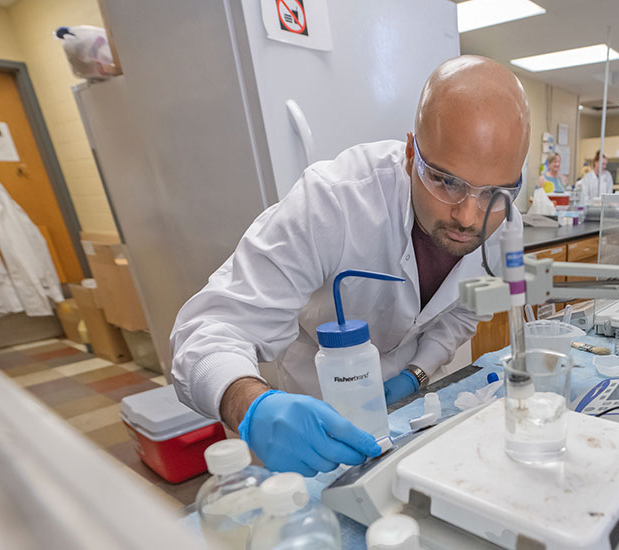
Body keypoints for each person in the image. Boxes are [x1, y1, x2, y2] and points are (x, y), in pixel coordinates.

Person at [170, 55, 529, 476]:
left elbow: (466, 310)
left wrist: (416, 372)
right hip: (318, 404)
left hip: (411, 397)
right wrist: (251, 406)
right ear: (412, 153)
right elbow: (207, 331)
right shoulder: (333, 202)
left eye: (496, 192)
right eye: (447, 181)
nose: (469, 217)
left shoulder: (505, 227)